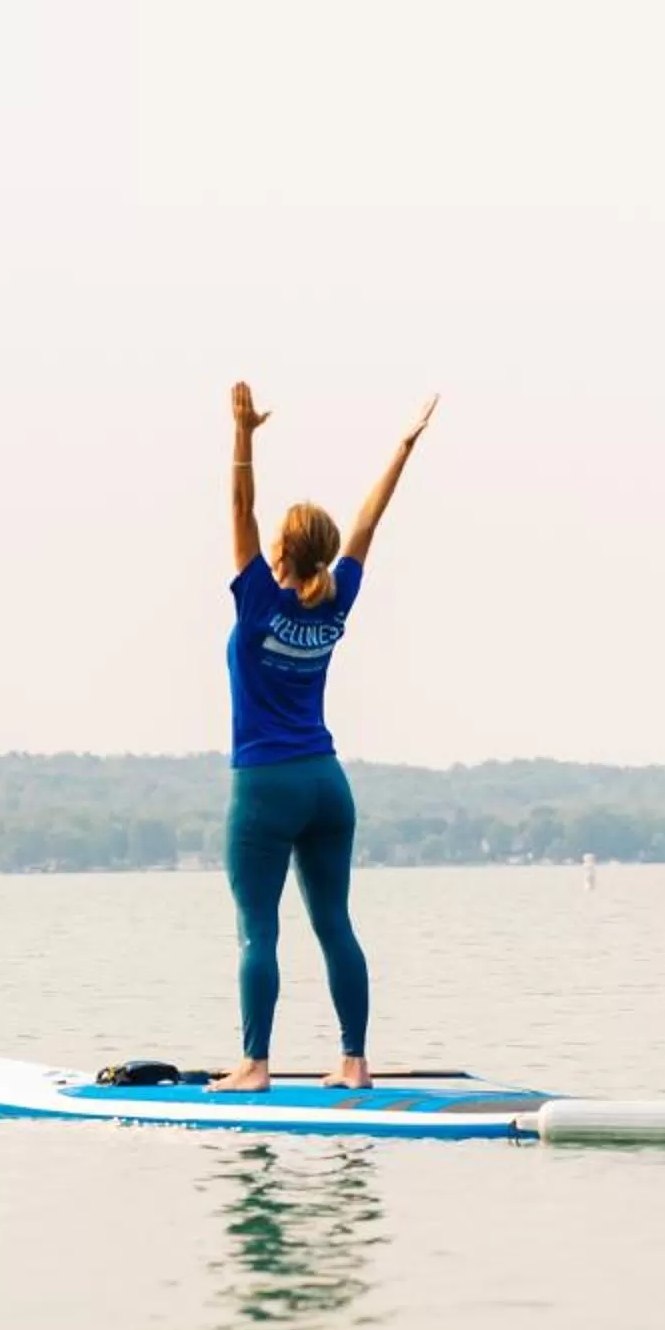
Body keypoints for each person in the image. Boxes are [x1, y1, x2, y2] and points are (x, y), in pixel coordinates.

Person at [212, 387, 434, 1092]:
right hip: (327, 785)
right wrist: (402, 448)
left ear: (280, 550)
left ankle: (254, 1065)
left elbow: (239, 507)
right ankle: (355, 1062)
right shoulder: (337, 598)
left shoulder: (258, 597)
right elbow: (370, 522)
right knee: (335, 924)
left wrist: (243, 434)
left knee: (259, 929)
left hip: (266, 786)